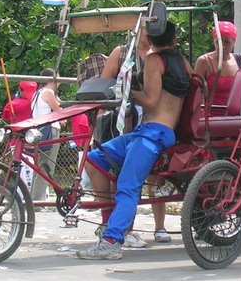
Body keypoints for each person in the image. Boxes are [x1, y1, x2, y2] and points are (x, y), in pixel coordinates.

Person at [77, 21, 190, 260]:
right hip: (149, 131)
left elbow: (150, 101)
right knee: (94, 159)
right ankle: (108, 224)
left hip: (153, 133)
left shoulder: (152, 61)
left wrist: (126, 90)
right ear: (174, 40)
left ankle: (111, 241)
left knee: (128, 186)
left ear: (150, 40)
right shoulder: (184, 62)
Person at [98, 33, 170, 246]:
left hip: (148, 118)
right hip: (123, 117)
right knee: (119, 175)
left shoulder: (157, 56)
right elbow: (105, 84)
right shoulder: (121, 53)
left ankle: (158, 226)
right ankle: (115, 225)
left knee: (151, 177)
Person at [193, 20, 241, 115]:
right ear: (214, 41)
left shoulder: (240, 60)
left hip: (236, 117)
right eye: (218, 42)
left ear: (234, 43)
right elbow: (196, 91)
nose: (222, 47)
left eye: (227, 43)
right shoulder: (204, 61)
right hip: (210, 119)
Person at [30, 69, 63, 201]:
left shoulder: (36, 93)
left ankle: (34, 198)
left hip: (38, 131)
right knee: (47, 168)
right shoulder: (49, 92)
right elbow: (59, 112)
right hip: (50, 131)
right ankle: (38, 200)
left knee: (39, 166)